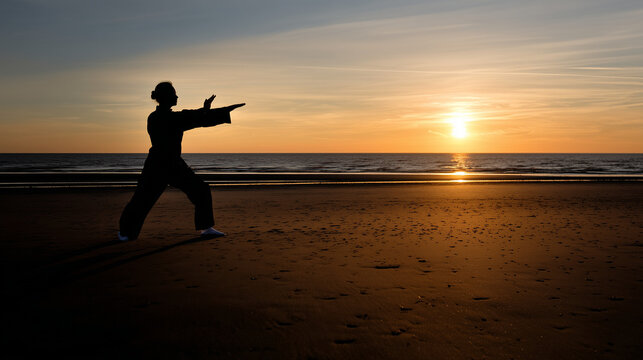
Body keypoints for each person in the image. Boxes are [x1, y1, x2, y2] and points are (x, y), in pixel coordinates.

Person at [118, 81, 245, 241]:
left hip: (173, 164)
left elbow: (189, 117)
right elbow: (188, 117)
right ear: (166, 97)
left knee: (201, 190)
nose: (177, 96)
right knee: (142, 199)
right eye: (174, 94)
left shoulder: (170, 117)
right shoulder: (158, 118)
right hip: (157, 165)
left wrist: (207, 111)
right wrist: (208, 111)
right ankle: (125, 232)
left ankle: (206, 228)